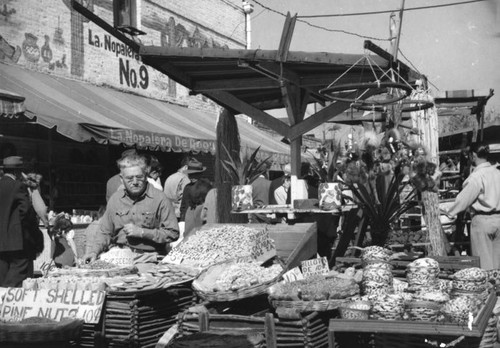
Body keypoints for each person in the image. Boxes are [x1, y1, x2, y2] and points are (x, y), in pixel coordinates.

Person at [83, 154, 179, 270]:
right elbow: (104, 232)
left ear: (146, 175)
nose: (135, 182)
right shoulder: (115, 199)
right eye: (129, 178)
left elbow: (173, 233)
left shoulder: (160, 198)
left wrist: (143, 232)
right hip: (119, 257)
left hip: (148, 258)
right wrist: (93, 252)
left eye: (139, 177)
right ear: (121, 178)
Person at [443, 142, 500, 270]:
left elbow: (462, 201)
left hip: (483, 221)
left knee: (485, 265)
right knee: (498, 263)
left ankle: (488, 288)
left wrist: (446, 210)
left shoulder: (477, 177)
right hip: (498, 219)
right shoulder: (498, 171)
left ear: (473, 155)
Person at [0, 156, 43, 287]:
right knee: (17, 275)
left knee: (2, 274)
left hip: (1, 243)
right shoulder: (18, 186)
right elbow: (26, 213)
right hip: (17, 241)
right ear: (17, 172)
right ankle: (6, 296)